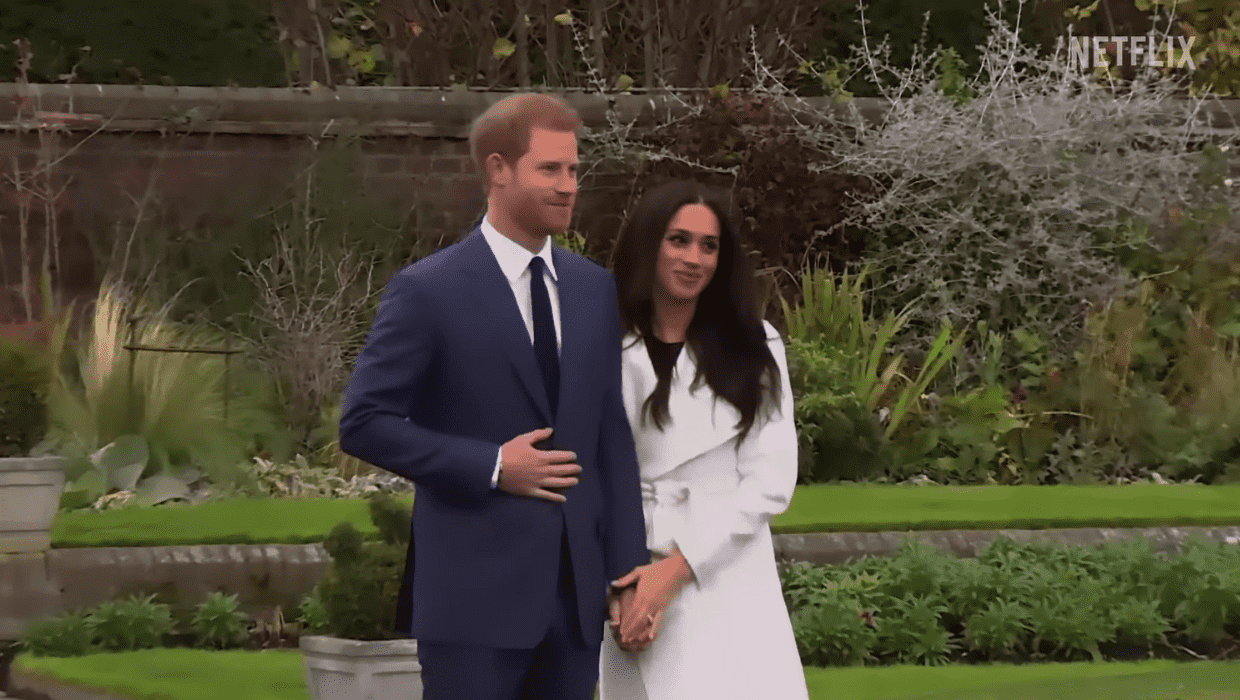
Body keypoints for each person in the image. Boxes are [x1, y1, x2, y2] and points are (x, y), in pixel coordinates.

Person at [338, 92, 650, 700]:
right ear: (498, 170)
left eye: (574, 170)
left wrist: (628, 568)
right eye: (550, 169)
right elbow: (364, 421)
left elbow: (611, 436)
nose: (568, 186)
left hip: (575, 606)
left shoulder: (593, 290)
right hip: (472, 603)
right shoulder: (428, 291)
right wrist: (495, 466)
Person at [598, 180, 810, 699]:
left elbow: (770, 479)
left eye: (709, 245)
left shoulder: (755, 345)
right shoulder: (601, 341)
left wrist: (676, 569)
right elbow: (588, 467)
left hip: (724, 570)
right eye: (678, 240)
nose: (694, 258)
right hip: (624, 572)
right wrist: (617, 580)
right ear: (649, 243)